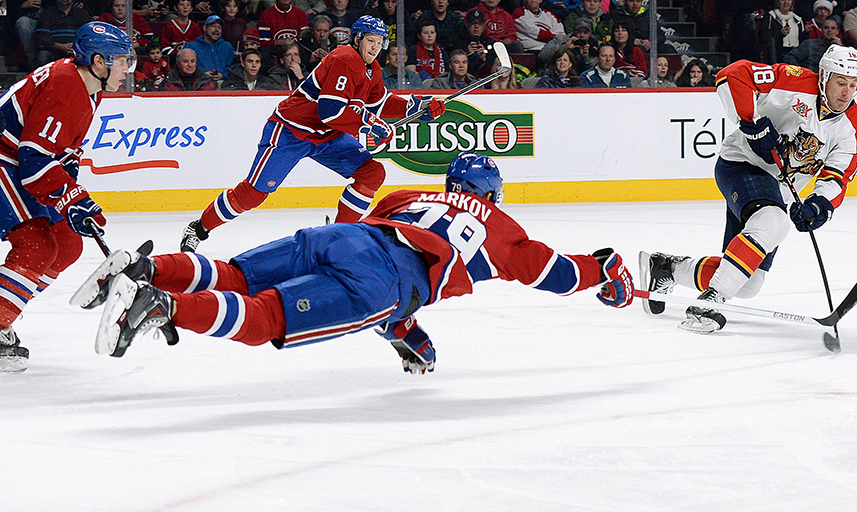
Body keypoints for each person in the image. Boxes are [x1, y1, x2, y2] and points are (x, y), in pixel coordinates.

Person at [77, 153, 635, 375]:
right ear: (492, 192)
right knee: (266, 316)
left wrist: (405, 332)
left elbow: (370, 225)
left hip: (342, 236)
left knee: (237, 273)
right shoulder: (498, 229)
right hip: (385, 280)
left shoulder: (415, 197)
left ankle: (145, 271)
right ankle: (163, 306)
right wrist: (603, 267)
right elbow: (556, 274)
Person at [640, 45, 857, 333]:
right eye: (840, 82)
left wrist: (818, 205)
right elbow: (733, 75)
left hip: (778, 192)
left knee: (748, 284)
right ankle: (709, 303)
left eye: (852, 85)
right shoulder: (792, 79)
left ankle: (667, 268)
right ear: (823, 76)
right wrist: (751, 124)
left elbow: (838, 177)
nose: (846, 92)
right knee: (774, 222)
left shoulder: (856, 128)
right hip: (741, 165)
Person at [179, 16, 445, 252]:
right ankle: (198, 228)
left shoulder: (372, 69)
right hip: (291, 131)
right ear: (357, 39)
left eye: (380, 42)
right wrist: (370, 123)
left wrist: (417, 104)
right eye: (371, 41)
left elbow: (379, 102)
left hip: (328, 136)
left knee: (372, 173)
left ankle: (338, 238)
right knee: (253, 194)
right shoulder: (344, 58)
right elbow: (330, 110)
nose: (376, 48)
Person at [0, 22, 133, 372]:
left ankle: (3, 307)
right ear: (99, 61)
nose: (127, 68)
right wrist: (70, 198)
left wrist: (71, 194)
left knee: (68, 244)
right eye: (122, 60)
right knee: (38, 246)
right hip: (6, 159)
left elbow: (62, 151)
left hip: (15, 161)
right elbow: (34, 160)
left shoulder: (90, 87)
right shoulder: (66, 85)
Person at [34, 0, 92, 65]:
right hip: (53, 51)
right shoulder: (46, 13)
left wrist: (74, 45)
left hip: (76, 51)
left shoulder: (82, 14)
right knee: (42, 56)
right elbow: (41, 36)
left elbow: (88, 36)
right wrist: (60, 46)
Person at [185, 15, 235, 81]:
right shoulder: (191, 46)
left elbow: (232, 67)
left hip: (223, 85)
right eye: (213, 26)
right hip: (197, 83)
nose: (217, 29)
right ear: (205, 28)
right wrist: (201, 75)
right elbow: (184, 67)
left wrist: (223, 75)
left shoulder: (227, 47)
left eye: (219, 28)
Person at [463, 9, 498, 77]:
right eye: (473, 23)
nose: (476, 27)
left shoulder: (491, 43)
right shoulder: (458, 41)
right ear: (467, 24)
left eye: (479, 23)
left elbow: (494, 68)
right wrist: (467, 54)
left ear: (484, 25)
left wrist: (484, 59)